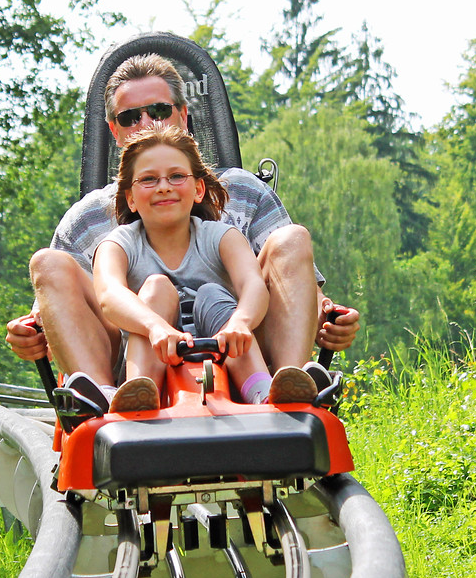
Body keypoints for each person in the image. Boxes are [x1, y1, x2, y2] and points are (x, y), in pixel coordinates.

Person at [5, 51, 359, 412]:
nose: (146, 124)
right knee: (48, 262)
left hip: (242, 345)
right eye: (130, 117)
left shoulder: (243, 192)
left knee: (292, 237)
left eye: (158, 111)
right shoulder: (87, 220)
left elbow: (294, 286)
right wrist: (32, 334)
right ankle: (105, 399)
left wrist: (325, 312)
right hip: (128, 361)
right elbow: (58, 316)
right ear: (114, 130)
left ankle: (285, 386)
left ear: (183, 115)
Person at [91, 125, 319, 411]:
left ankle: (267, 392)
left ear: (199, 189)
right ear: (131, 198)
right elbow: (109, 295)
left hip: (228, 357)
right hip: (155, 359)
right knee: (155, 288)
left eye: (176, 176)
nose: (164, 186)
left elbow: (253, 285)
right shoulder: (118, 244)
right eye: (149, 179)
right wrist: (156, 327)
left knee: (214, 294)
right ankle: (140, 393)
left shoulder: (222, 237)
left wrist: (241, 323)